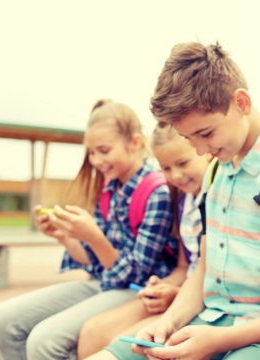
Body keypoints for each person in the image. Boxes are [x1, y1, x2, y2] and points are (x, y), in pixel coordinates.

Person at [124, 41, 260, 360]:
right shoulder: (216, 172)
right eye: (189, 139)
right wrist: (167, 323)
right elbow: (203, 269)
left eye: (206, 133)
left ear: (241, 102)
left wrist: (222, 340)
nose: (200, 150)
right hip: (210, 324)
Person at [0, 99, 178, 360]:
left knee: (44, 341)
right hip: (103, 282)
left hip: (138, 289)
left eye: (103, 150)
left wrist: (94, 236)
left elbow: (135, 274)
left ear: (135, 143)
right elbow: (94, 263)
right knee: (4, 321)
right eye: (91, 152)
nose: (96, 160)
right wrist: (68, 238)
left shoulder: (156, 192)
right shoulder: (109, 189)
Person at [79, 126, 212, 359]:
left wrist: (176, 293)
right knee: (93, 331)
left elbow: (208, 274)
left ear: (206, 151)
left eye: (182, 163)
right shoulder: (182, 198)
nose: (175, 176)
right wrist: (162, 287)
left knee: (117, 341)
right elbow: (184, 267)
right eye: (166, 168)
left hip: (202, 298)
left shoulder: (214, 197)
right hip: (181, 293)